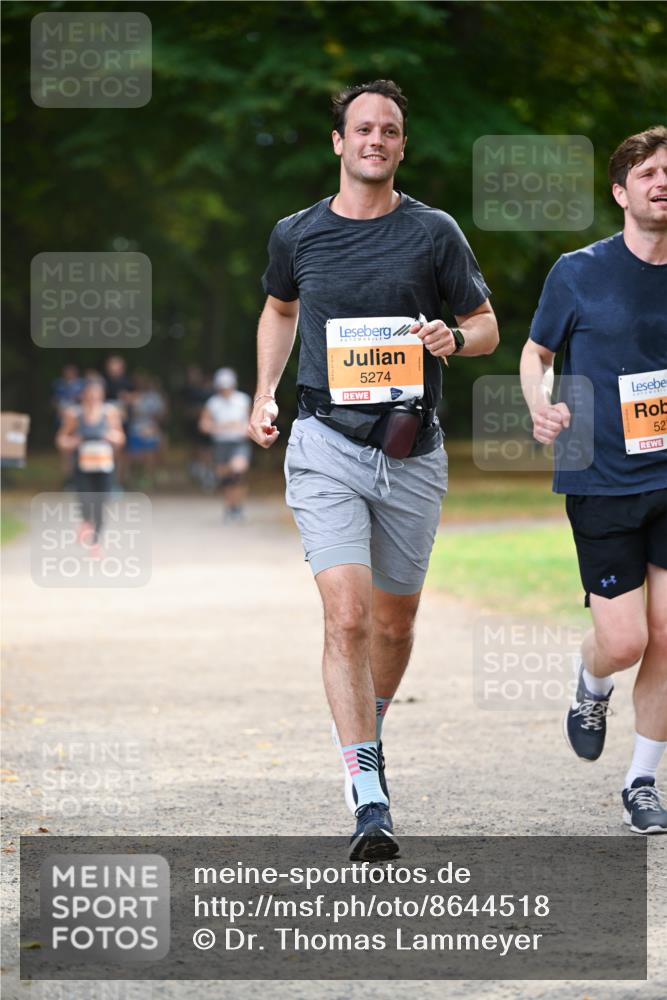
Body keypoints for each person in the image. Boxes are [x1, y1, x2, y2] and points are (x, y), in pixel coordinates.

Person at [248, 80, 498, 860]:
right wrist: (264, 393)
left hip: (411, 451)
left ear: (400, 145)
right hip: (324, 442)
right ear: (338, 142)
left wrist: (451, 343)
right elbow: (279, 309)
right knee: (348, 616)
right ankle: (367, 793)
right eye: (362, 128)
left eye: (389, 130)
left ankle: (371, 725)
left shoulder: (434, 233)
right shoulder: (296, 234)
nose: (375, 140)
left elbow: (484, 325)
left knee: (393, 622)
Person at [520, 125, 667, 834]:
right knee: (624, 641)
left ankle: (640, 781)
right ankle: (591, 680)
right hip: (602, 476)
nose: (661, 183)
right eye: (647, 174)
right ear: (619, 191)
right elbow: (534, 351)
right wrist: (538, 405)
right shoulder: (577, 271)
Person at [55, 375, 125, 558]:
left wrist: (111, 436)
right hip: (83, 466)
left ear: (102, 394)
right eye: (90, 393)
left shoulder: (110, 412)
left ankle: (96, 543)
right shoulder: (74, 414)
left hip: (104, 466)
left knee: (102, 504)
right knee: (85, 500)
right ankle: (86, 522)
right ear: (84, 394)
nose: (93, 396)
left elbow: (120, 437)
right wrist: (72, 442)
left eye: (97, 393)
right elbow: (61, 439)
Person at [199, 368, 252, 520]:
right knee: (225, 477)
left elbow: (251, 421)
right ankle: (231, 506)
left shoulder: (243, 400)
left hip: (239, 442)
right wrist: (217, 427)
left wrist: (242, 428)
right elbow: (203, 424)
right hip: (221, 443)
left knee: (238, 470)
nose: (225, 390)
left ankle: (238, 505)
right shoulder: (213, 403)